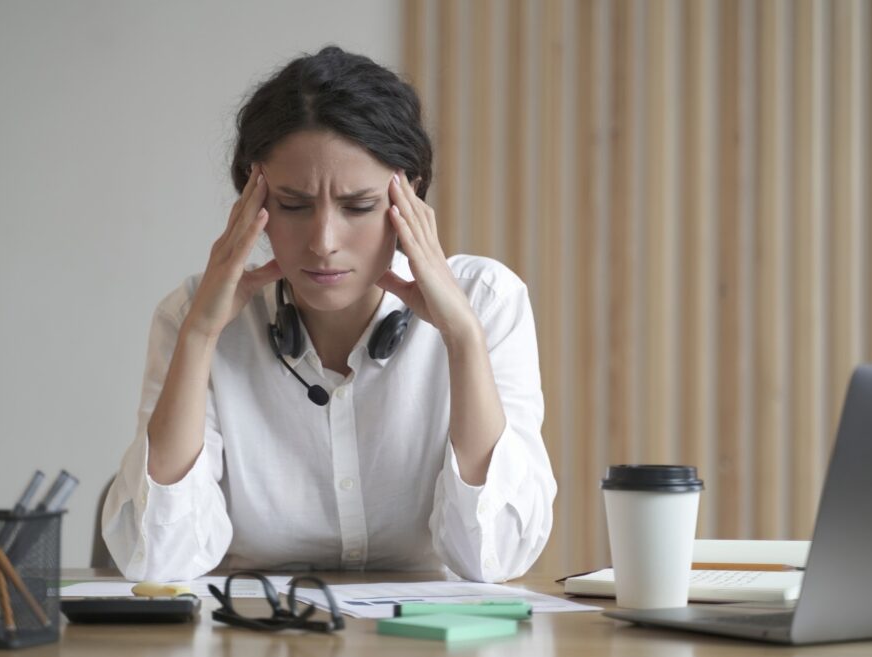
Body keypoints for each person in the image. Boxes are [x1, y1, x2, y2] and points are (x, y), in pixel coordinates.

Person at [102, 46, 556, 583]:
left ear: (409, 197)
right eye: (293, 206)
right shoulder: (193, 314)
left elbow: (497, 558)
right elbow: (155, 562)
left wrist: (462, 339)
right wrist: (200, 335)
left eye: (358, 207)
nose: (323, 243)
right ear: (254, 202)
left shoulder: (486, 301)